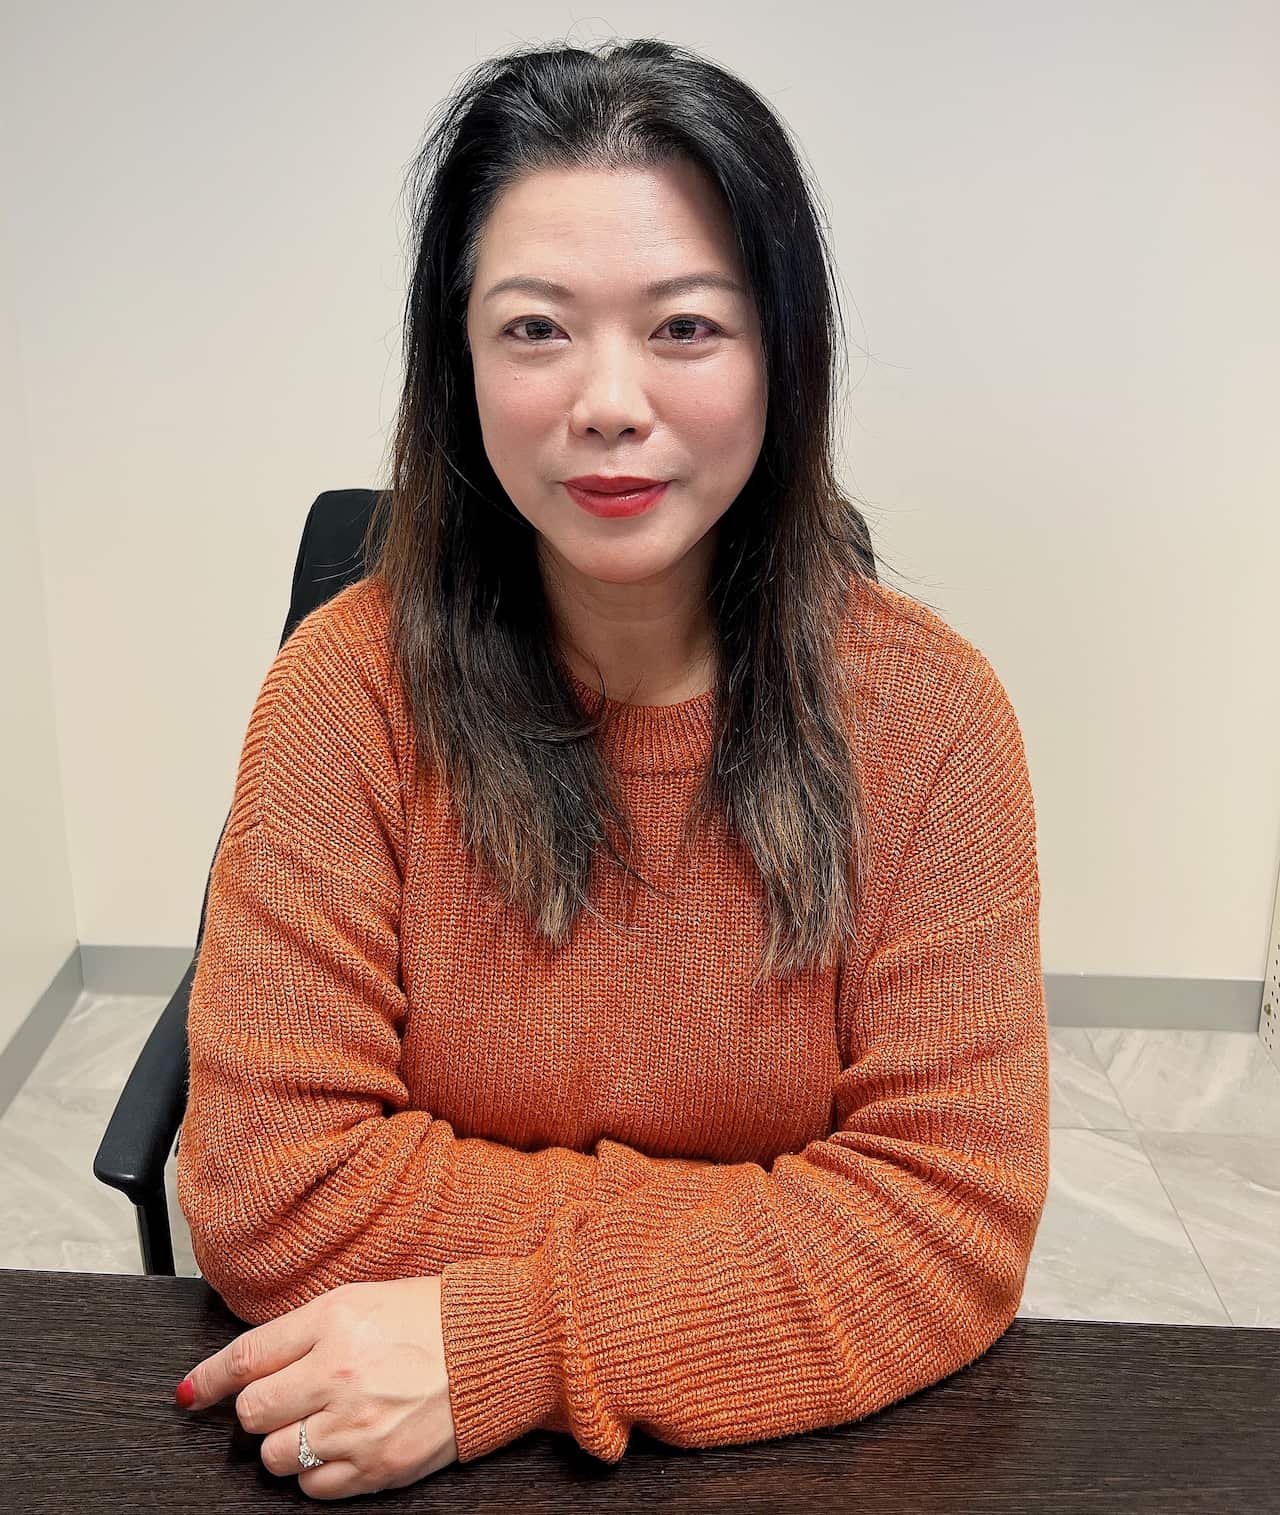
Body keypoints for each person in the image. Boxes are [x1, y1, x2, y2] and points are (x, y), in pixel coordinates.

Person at [176, 34, 1049, 1500]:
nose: (606, 400)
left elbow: (944, 1226)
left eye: (685, 327)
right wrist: (762, 1236)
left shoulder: (934, 722)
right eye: (535, 330)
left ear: (783, 349)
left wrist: (519, 1336)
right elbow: (273, 1189)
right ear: (458, 362)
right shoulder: (345, 693)